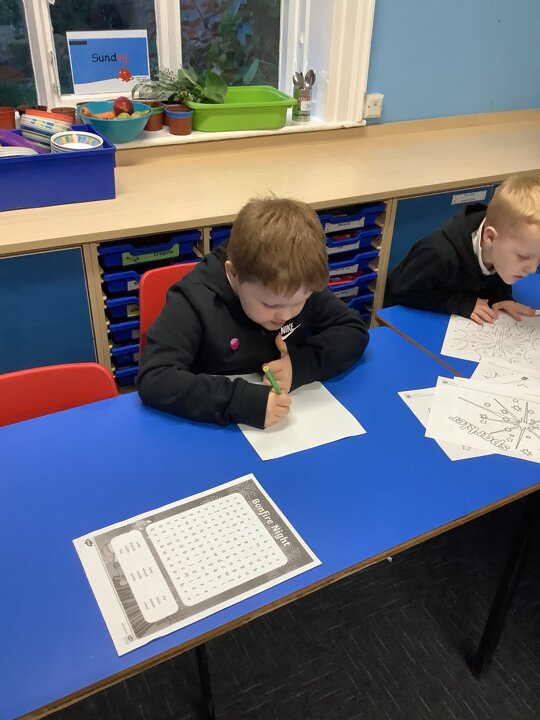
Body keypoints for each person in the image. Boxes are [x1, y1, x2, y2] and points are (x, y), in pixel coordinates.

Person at [137, 196, 369, 428]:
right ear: (234, 274)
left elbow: (353, 329)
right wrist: (240, 401)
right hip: (214, 429)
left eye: (300, 302)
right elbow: (155, 377)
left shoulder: (295, 284)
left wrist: (299, 366)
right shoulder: (193, 300)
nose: (285, 315)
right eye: (269, 305)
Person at [384, 173, 540, 324]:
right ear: (490, 237)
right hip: (405, 317)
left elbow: (494, 277)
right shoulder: (438, 254)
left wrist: (501, 297)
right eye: (523, 256)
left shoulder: (502, 248)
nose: (533, 269)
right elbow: (404, 292)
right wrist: (461, 303)